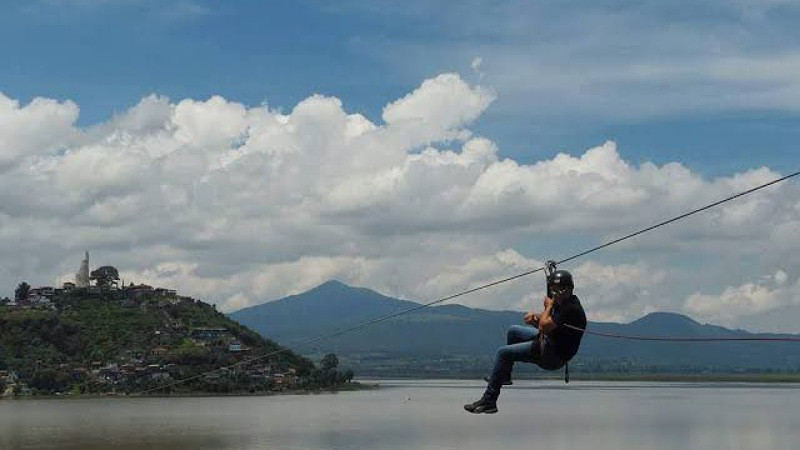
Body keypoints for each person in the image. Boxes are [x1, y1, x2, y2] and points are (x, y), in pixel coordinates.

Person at [464, 268, 587, 414]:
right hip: (548, 341)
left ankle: (489, 401)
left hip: (552, 356)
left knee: (503, 353)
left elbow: (544, 326)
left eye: (557, 290)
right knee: (513, 331)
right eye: (552, 290)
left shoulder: (571, 309)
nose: (554, 294)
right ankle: (504, 377)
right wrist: (535, 318)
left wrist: (548, 307)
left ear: (567, 289)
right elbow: (549, 324)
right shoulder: (564, 302)